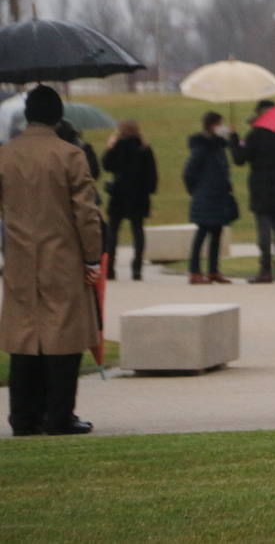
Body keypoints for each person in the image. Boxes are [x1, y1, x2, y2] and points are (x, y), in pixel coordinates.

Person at [0, 87, 105, 436]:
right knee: (64, 338)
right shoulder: (70, 155)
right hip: (62, 258)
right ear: (58, 115)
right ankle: (59, 416)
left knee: (24, 339)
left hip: (18, 259)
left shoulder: (6, 154)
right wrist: (92, 258)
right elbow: (86, 214)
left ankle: (24, 417)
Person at [230, 100, 275, 284]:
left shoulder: (255, 135)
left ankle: (266, 270)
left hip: (261, 188)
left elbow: (239, 159)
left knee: (264, 232)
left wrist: (234, 139)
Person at [183, 111, 238, 285]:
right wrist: (195, 190)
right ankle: (194, 271)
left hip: (219, 195)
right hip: (205, 195)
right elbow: (188, 172)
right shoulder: (202, 147)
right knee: (202, 233)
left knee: (216, 234)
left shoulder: (219, 147)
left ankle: (213, 270)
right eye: (220, 124)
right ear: (212, 125)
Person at [102, 120, 158, 281]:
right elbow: (152, 174)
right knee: (138, 231)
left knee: (112, 232)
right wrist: (149, 192)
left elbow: (107, 165)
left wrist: (110, 148)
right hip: (139, 195)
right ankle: (137, 269)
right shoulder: (144, 148)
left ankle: (110, 268)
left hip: (119, 194)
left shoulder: (118, 146)